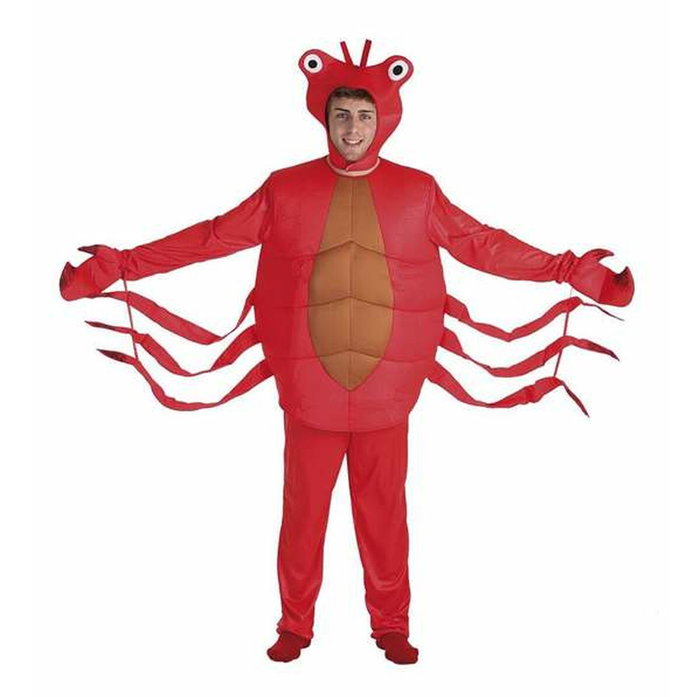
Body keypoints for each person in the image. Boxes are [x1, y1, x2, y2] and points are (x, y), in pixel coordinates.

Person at [59, 41, 634, 665]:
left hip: (388, 392)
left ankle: (391, 625)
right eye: (341, 116)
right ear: (324, 118)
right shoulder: (284, 189)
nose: (353, 128)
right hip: (311, 391)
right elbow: (211, 237)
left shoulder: (419, 191)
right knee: (303, 514)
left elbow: (484, 244)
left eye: (363, 116)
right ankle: (295, 625)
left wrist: (572, 271)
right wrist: (120, 266)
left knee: (385, 514)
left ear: (383, 119)